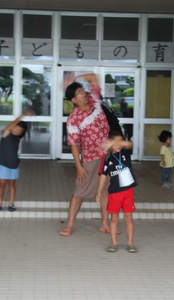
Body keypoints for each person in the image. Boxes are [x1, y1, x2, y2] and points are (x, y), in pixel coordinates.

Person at [59, 73, 110, 236]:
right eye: (80, 92)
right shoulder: (73, 119)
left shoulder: (95, 99)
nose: (84, 93)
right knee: (79, 192)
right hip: (90, 158)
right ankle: (70, 224)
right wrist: (79, 166)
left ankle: (104, 224)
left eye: (83, 90)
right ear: (73, 100)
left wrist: (74, 79)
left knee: (105, 190)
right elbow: (74, 144)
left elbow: (93, 77)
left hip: (108, 155)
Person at [96, 129, 138, 253]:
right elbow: (103, 176)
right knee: (114, 219)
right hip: (114, 193)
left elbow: (129, 144)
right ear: (110, 143)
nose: (119, 144)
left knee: (129, 218)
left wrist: (117, 142)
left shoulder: (125, 152)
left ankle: (130, 243)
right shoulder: (108, 159)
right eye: (115, 142)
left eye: (121, 141)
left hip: (128, 192)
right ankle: (114, 243)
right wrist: (98, 192)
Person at [0, 110, 33, 212]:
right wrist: (23, 115)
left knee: (12, 183)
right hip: (2, 164)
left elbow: (15, 150)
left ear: (21, 133)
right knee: (2, 184)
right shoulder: (5, 134)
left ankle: (11, 203)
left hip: (13, 165)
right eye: (15, 128)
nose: (16, 131)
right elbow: (11, 125)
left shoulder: (17, 139)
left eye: (19, 130)